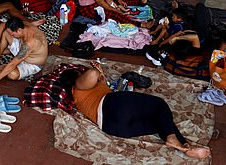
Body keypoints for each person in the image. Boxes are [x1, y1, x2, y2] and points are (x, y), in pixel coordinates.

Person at [59, 64, 210, 159]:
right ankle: (175, 139)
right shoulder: (77, 87)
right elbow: (91, 75)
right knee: (159, 105)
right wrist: (94, 72)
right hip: (111, 105)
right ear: (75, 78)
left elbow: (98, 82)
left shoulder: (82, 96)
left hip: (114, 127)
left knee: (160, 123)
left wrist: (101, 75)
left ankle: (185, 146)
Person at [0, 17, 49, 83]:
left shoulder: (30, 43)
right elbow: (2, 25)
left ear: (19, 30)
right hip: (22, 48)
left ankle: (0, 67)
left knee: (12, 74)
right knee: (6, 33)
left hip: (32, 63)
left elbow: (12, 64)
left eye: (13, 35)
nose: (12, 36)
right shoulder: (23, 24)